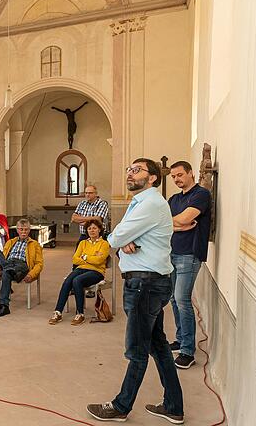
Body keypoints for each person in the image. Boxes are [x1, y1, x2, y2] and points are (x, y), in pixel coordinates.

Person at [86, 158, 183, 424]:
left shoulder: (150, 203)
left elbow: (114, 238)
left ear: (152, 178)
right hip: (150, 282)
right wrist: (127, 238)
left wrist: (123, 239)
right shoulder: (142, 202)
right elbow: (120, 236)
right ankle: (174, 406)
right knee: (158, 345)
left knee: (137, 350)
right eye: (129, 169)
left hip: (145, 285)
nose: (130, 173)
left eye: (137, 170)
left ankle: (120, 406)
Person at [168, 160, 212, 370]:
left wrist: (177, 223)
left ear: (191, 173)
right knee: (173, 300)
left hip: (190, 254)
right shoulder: (174, 198)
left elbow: (187, 219)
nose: (176, 179)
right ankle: (180, 339)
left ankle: (187, 351)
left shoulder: (201, 195)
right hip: (172, 253)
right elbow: (165, 223)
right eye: (173, 176)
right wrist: (176, 226)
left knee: (182, 299)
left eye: (179, 175)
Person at [49, 220, 109, 325]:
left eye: (94, 228)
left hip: (97, 271)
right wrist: (92, 258)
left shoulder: (104, 244)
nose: (92, 230)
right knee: (68, 281)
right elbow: (75, 260)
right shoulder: (83, 243)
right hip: (81, 268)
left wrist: (85, 257)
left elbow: (99, 261)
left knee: (77, 281)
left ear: (99, 229)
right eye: (89, 228)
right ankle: (58, 312)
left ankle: (80, 313)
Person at [0, 218, 43, 317]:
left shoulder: (35, 244)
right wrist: (0, 270)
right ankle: (4, 306)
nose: (23, 232)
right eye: (21, 229)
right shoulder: (10, 242)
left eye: (26, 229)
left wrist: (31, 274)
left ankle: (3, 305)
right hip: (9, 263)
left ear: (29, 230)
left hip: (22, 265)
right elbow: (4, 256)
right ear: (17, 230)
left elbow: (39, 264)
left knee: (6, 272)